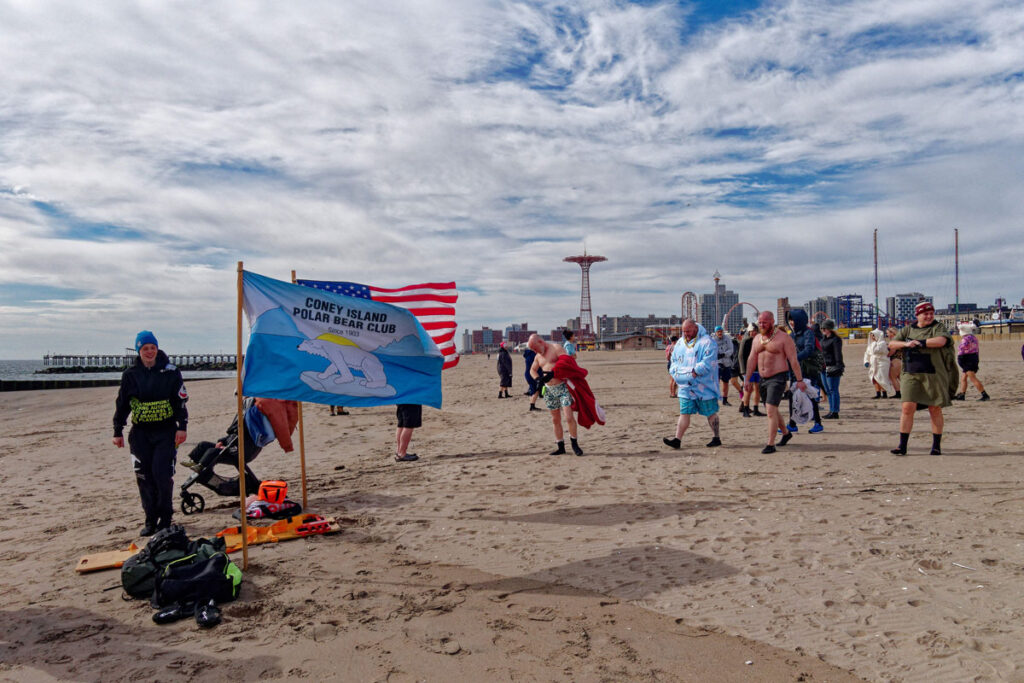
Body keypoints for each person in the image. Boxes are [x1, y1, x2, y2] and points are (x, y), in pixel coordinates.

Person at [112, 331, 188, 537]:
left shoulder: (171, 371)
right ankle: (150, 519)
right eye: (145, 348)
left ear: (157, 348)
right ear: (139, 350)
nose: (149, 352)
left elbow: (180, 401)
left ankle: (165, 519)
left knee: (162, 475)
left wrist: (183, 426)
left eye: (152, 347)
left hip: (166, 432)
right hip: (140, 434)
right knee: (144, 477)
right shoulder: (131, 374)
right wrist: (117, 430)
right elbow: (122, 403)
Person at [887, 301, 958, 456]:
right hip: (910, 373)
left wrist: (920, 343)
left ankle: (936, 446)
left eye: (931, 313)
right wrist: (906, 344)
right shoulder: (907, 329)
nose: (929, 316)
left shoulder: (938, 327)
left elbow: (942, 341)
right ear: (917, 315)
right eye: (925, 314)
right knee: (907, 407)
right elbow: (892, 344)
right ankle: (902, 445)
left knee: (934, 408)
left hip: (934, 374)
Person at [744, 311, 808, 454]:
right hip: (762, 378)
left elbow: (793, 360)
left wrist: (799, 380)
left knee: (770, 410)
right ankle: (786, 433)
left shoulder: (783, 338)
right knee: (771, 407)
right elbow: (751, 359)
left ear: (772, 322)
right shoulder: (757, 339)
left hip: (777, 377)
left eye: (764, 322)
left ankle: (770, 443)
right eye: (760, 322)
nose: (761, 325)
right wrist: (747, 379)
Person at [528, 334, 595, 455]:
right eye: (532, 349)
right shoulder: (538, 356)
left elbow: (566, 362)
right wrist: (537, 379)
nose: (534, 351)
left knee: (568, 416)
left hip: (563, 387)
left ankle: (574, 444)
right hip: (549, 390)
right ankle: (561, 446)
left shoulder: (556, 348)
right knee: (555, 419)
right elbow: (532, 370)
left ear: (540, 342)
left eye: (535, 348)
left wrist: (553, 373)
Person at [663, 319, 721, 449]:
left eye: (688, 331)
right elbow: (674, 360)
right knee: (684, 412)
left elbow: (708, 361)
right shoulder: (680, 343)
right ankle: (677, 439)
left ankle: (716, 437)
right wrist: (677, 372)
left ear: (695, 329)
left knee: (710, 412)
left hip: (704, 386)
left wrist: (695, 371)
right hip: (685, 386)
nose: (686, 334)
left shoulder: (707, 342)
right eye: (684, 331)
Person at [787, 310, 824, 433]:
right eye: (790, 320)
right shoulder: (792, 335)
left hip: (808, 369)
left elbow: (809, 349)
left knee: (810, 395)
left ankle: (818, 423)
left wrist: (794, 358)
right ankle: (792, 424)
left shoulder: (808, 333)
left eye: (793, 319)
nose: (791, 322)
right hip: (795, 370)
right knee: (792, 396)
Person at [954, 322, 990, 401]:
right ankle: (962, 394)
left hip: (967, 360)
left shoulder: (965, 339)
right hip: (974, 358)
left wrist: (960, 359)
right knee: (963, 378)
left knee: (973, 378)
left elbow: (961, 350)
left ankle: (984, 394)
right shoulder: (974, 338)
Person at [820, 319, 844, 419]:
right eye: (822, 328)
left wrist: (839, 366)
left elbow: (838, 354)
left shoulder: (835, 339)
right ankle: (831, 410)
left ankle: (835, 411)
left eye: (825, 328)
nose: (823, 330)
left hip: (833, 367)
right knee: (827, 390)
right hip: (823, 367)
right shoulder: (823, 339)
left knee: (833, 389)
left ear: (829, 329)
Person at [738, 323, 763, 417]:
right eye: (752, 331)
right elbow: (741, 356)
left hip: (758, 368)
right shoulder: (745, 341)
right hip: (748, 369)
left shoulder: (759, 340)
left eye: (755, 331)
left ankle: (756, 408)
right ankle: (745, 408)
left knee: (757, 388)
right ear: (749, 331)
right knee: (748, 389)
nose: (754, 333)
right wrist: (743, 370)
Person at [863, 329, 894, 398]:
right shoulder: (871, 344)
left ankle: (884, 393)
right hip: (874, 363)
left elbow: (875, 351)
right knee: (874, 378)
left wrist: (874, 343)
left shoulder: (882, 343)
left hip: (882, 363)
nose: (872, 338)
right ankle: (878, 393)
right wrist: (866, 361)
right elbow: (867, 353)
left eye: (873, 336)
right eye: (871, 336)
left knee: (881, 378)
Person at [713, 326, 736, 406]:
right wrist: (717, 355)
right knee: (716, 382)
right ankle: (714, 400)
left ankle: (725, 400)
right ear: (715, 332)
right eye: (718, 331)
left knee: (726, 382)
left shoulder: (727, 339)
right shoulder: (713, 340)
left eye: (721, 331)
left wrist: (724, 354)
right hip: (717, 364)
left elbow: (731, 349)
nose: (720, 333)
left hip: (726, 363)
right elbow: (711, 351)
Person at [522, 345, 541, 411]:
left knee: (533, 389)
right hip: (532, 375)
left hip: (528, 374)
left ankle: (532, 404)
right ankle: (532, 406)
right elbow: (536, 367)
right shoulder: (533, 356)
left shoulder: (528, 355)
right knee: (536, 390)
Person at [885, 328, 903, 399]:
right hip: (900, 360)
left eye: (888, 333)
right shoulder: (899, 339)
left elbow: (892, 351)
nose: (887, 335)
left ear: (892, 333)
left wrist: (886, 356)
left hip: (894, 360)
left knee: (893, 377)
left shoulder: (894, 341)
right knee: (901, 378)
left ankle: (898, 393)